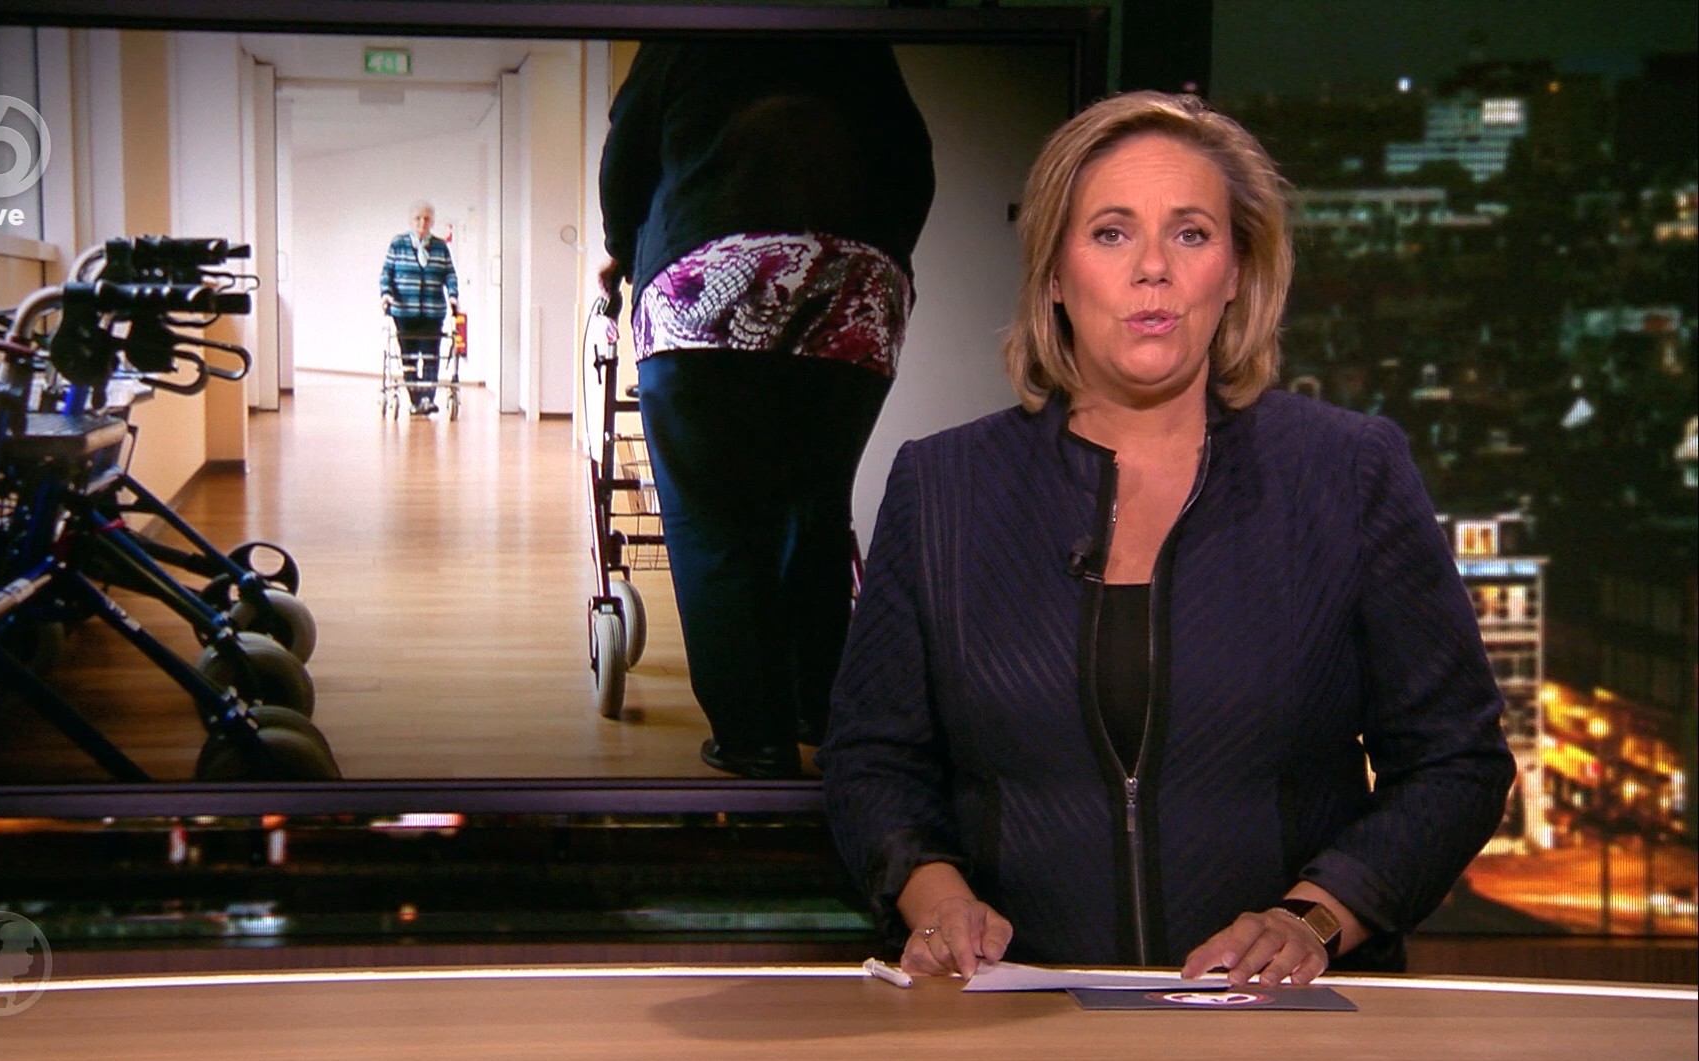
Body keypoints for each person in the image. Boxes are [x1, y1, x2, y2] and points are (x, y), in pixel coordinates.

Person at [818, 91, 1514, 985]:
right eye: (1111, 233)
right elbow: (872, 761)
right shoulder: (944, 487)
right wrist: (937, 899)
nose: (1153, 268)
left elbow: (1456, 761)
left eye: (1191, 233)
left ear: (1236, 271)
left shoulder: (1348, 472)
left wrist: (1313, 919)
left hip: (1281, 1022)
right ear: (1055, 274)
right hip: (1020, 1016)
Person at [599, 42, 935, 779]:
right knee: (815, 508)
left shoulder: (681, 35)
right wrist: (875, 257)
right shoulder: (856, 36)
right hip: (855, 285)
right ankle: (818, 707)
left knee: (713, 520)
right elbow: (913, 165)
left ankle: (754, 738)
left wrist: (624, 251)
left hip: (704, 277)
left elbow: (626, 163)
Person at [380, 202, 459, 415]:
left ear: (432, 222)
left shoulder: (440, 247)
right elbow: (387, 273)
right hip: (404, 312)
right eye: (418, 218)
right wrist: (386, 293)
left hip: (433, 312)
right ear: (411, 221)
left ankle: (427, 399)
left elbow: (450, 274)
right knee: (409, 357)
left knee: (431, 355)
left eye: (426, 218)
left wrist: (453, 296)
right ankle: (415, 400)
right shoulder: (398, 243)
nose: (422, 222)